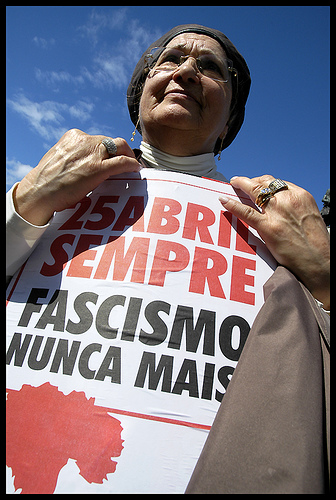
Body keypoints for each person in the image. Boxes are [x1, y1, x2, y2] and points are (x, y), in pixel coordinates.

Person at [6, 24, 330, 493]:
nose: (186, 72)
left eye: (210, 67)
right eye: (171, 59)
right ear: (141, 95)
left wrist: (323, 273)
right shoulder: (52, 188)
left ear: (231, 119)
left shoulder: (278, 225)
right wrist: (27, 200)